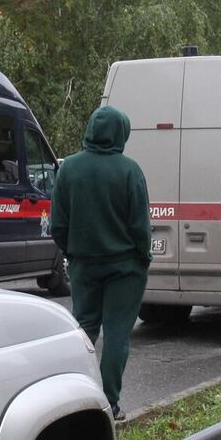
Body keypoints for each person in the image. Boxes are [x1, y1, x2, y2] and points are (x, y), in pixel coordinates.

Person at [50, 105, 152, 422]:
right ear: (121, 133)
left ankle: (69, 396)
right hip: (125, 266)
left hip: (84, 264)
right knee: (118, 333)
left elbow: (58, 224)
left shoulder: (69, 169)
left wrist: (73, 252)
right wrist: (143, 255)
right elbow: (140, 225)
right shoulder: (129, 170)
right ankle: (110, 402)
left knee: (83, 330)